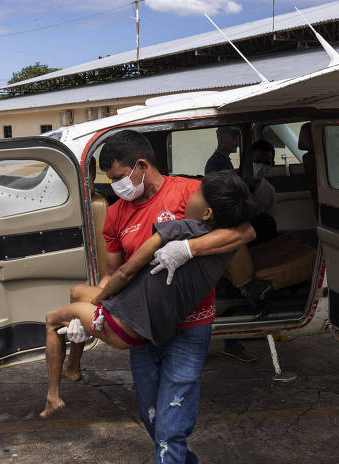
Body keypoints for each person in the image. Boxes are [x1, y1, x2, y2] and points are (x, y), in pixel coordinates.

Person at [63, 130, 255, 463]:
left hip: (189, 326)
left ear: (141, 166)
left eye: (120, 177)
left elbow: (245, 231)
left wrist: (188, 248)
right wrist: (93, 317)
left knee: (171, 421)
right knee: (152, 415)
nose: (116, 186)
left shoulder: (189, 192)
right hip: (142, 325)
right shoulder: (117, 213)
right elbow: (114, 272)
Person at [40, 171, 253, 423]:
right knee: (78, 293)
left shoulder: (178, 228)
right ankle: (72, 367)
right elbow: (245, 231)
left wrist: (98, 307)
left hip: (126, 324)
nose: (190, 198)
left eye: (118, 175)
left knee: (53, 319)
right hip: (146, 318)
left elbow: (124, 272)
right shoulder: (222, 244)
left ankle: (53, 396)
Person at [203, 126, 256, 363]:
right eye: (235, 137)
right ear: (224, 138)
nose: (236, 142)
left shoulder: (221, 161)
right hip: (226, 229)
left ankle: (231, 341)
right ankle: (229, 342)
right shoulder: (216, 164)